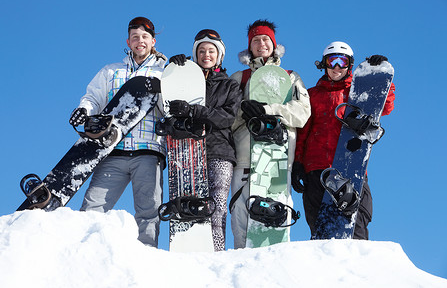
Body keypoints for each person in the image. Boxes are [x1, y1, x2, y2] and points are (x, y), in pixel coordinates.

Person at [69, 17, 167, 247]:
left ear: (153, 41)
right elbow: (93, 97)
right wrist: (84, 110)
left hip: (148, 151)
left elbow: (170, 108)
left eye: (144, 37)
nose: (139, 41)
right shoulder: (111, 71)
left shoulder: (164, 70)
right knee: (93, 208)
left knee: (148, 211)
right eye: (135, 37)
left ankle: (146, 256)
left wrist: (164, 87)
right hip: (113, 151)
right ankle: (84, 254)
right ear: (128, 41)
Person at [292, 41, 396, 240]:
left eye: (342, 61)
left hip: (350, 166)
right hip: (316, 169)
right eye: (332, 61)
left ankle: (356, 266)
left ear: (350, 65)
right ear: (324, 64)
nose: (337, 67)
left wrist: (379, 77)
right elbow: (302, 132)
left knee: (356, 219)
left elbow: (385, 106)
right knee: (318, 223)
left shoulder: (357, 93)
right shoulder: (313, 95)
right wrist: (297, 163)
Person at [229, 19, 311, 249]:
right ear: (250, 46)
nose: (261, 44)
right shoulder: (240, 78)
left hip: (278, 158)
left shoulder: (291, 77)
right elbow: (227, 118)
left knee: (275, 216)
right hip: (245, 158)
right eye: (256, 40)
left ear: (274, 45)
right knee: (241, 220)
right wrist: (244, 113)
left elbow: (302, 113)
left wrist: (268, 110)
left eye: (266, 39)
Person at [168, 29, 242, 251]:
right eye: (201, 51)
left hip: (219, 151)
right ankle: (188, 253)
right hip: (187, 149)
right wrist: (173, 71)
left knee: (215, 208)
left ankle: (216, 255)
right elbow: (168, 104)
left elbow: (228, 117)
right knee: (189, 207)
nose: (206, 55)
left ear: (219, 55)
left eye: (211, 51)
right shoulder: (185, 80)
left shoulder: (229, 85)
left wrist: (195, 111)